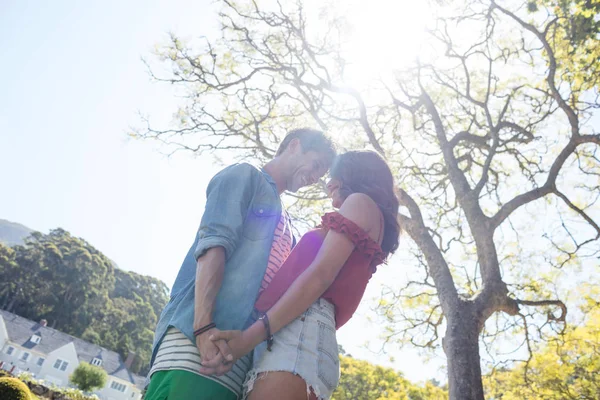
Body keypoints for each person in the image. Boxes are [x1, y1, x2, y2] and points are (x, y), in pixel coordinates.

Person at [143, 128, 336, 400]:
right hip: (198, 346)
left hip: (239, 363)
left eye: (322, 173)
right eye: (316, 165)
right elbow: (213, 245)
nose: (315, 177)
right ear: (294, 146)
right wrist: (203, 328)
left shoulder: (290, 226)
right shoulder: (246, 176)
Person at [204, 150, 401, 399]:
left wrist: (248, 338)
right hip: (301, 335)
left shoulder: (360, 202)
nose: (329, 187)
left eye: (333, 176)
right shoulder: (369, 217)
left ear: (352, 174)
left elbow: (319, 276)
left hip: (301, 333)